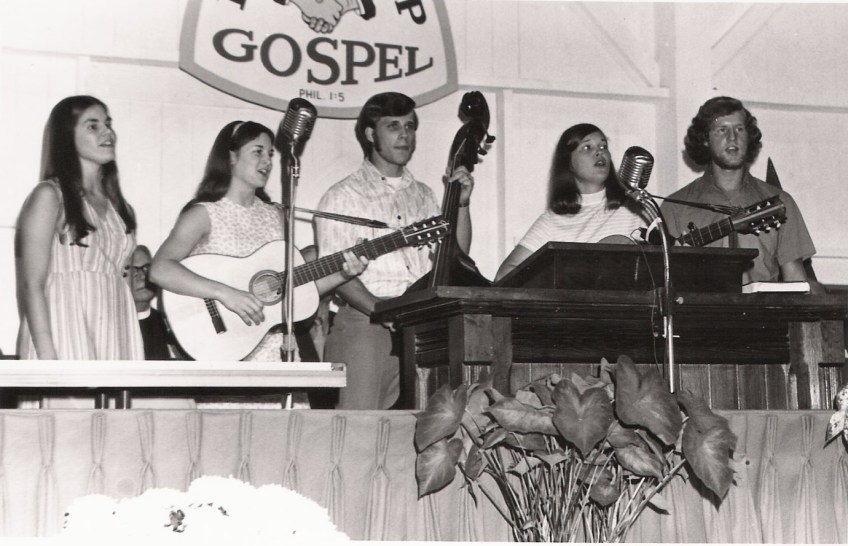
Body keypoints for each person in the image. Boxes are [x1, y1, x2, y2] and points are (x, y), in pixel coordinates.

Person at [150, 120, 367, 366]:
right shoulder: (204, 214)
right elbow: (160, 269)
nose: (268, 161)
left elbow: (294, 292)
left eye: (271, 154)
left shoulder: (276, 216)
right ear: (231, 157)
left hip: (276, 350)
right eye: (258, 151)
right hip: (226, 349)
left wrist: (343, 274)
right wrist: (225, 293)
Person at [315, 91, 475, 410]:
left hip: (421, 322)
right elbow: (337, 274)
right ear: (371, 134)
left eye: (410, 126)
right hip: (367, 322)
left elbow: (455, 254)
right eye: (393, 126)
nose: (405, 134)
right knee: (360, 432)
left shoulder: (425, 195)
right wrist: (381, 310)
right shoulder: (341, 196)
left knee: (430, 426)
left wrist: (462, 203)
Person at [16, 95, 143, 362]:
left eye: (108, 123)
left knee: (113, 405)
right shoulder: (49, 196)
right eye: (93, 125)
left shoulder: (122, 210)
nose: (108, 132)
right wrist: (47, 360)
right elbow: (31, 284)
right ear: (66, 137)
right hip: (63, 332)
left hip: (115, 331)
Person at [660, 96, 816, 286]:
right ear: (705, 140)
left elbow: (796, 281)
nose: (732, 137)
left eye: (739, 129)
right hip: (701, 314)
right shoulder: (675, 207)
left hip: (763, 314)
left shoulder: (780, 201)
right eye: (722, 130)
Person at [495, 123, 650, 281]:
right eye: (587, 147)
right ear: (568, 163)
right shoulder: (552, 220)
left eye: (603, 146)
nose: (599, 152)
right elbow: (504, 275)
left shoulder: (636, 208)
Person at [130, 244, 182, 360]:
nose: (142, 276)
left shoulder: (169, 320)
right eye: (133, 271)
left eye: (146, 268)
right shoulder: (115, 325)